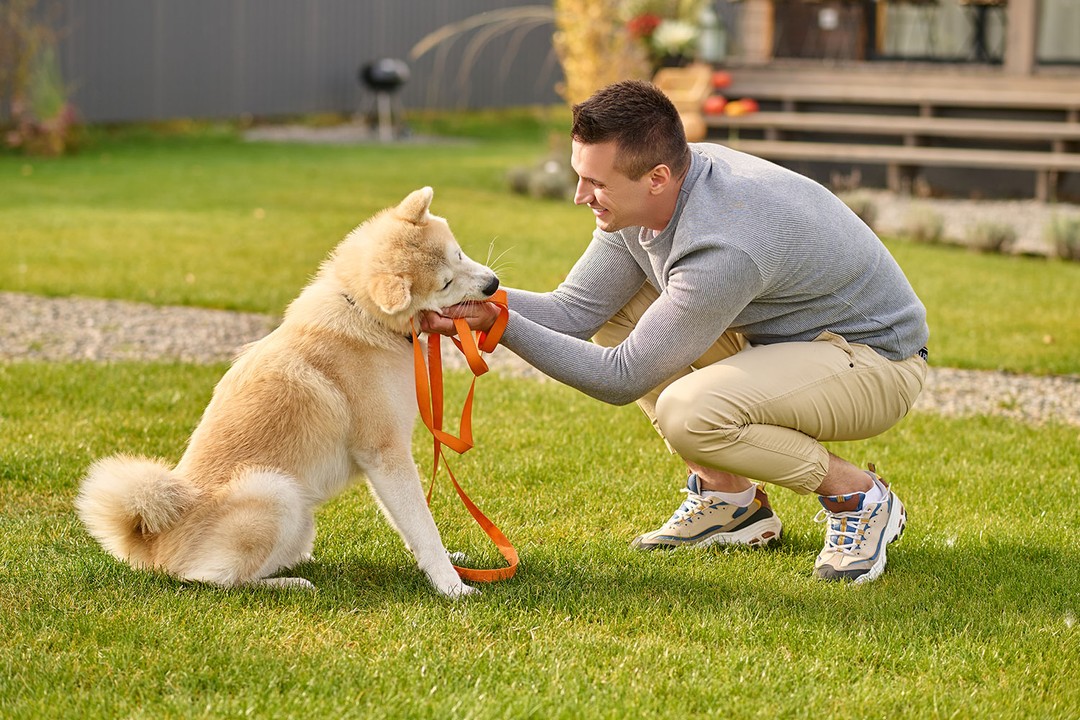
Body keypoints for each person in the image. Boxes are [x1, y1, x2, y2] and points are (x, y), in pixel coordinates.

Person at [421, 80, 929, 584]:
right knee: (624, 310)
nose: (580, 196)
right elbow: (574, 311)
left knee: (692, 413)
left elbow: (621, 378)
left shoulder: (724, 243)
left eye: (596, 183)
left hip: (874, 363)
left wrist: (498, 324)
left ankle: (859, 497)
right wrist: (461, 300)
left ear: (657, 177)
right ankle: (730, 502)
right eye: (581, 176)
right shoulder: (650, 199)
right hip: (789, 345)